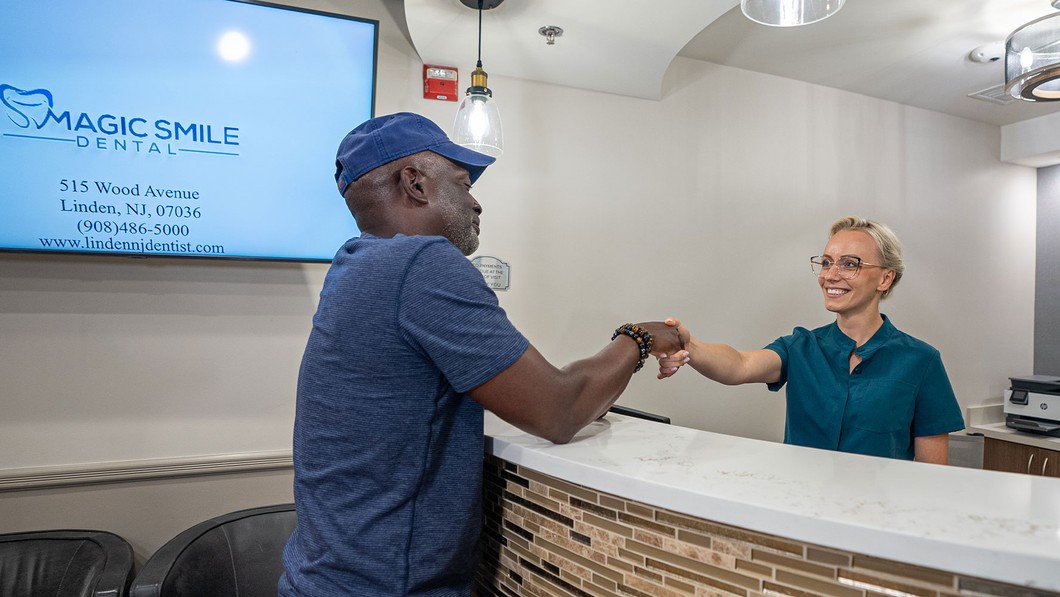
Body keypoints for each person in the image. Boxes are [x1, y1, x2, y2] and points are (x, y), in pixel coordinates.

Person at [277, 112, 681, 596]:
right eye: (464, 183)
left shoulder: (356, 265)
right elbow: (558, 409)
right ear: (415, 183)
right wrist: (638, 338)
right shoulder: (420, 262)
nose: (476, 202)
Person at [657, 216, 964, 464]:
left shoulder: (921, 361)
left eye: (849, 263)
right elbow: (739, 365)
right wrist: (690, 347)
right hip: (801, 512)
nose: (830, 274)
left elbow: (932, 475)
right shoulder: (802, 347)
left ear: (885, 278)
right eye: (827, 262)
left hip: (877, 520)